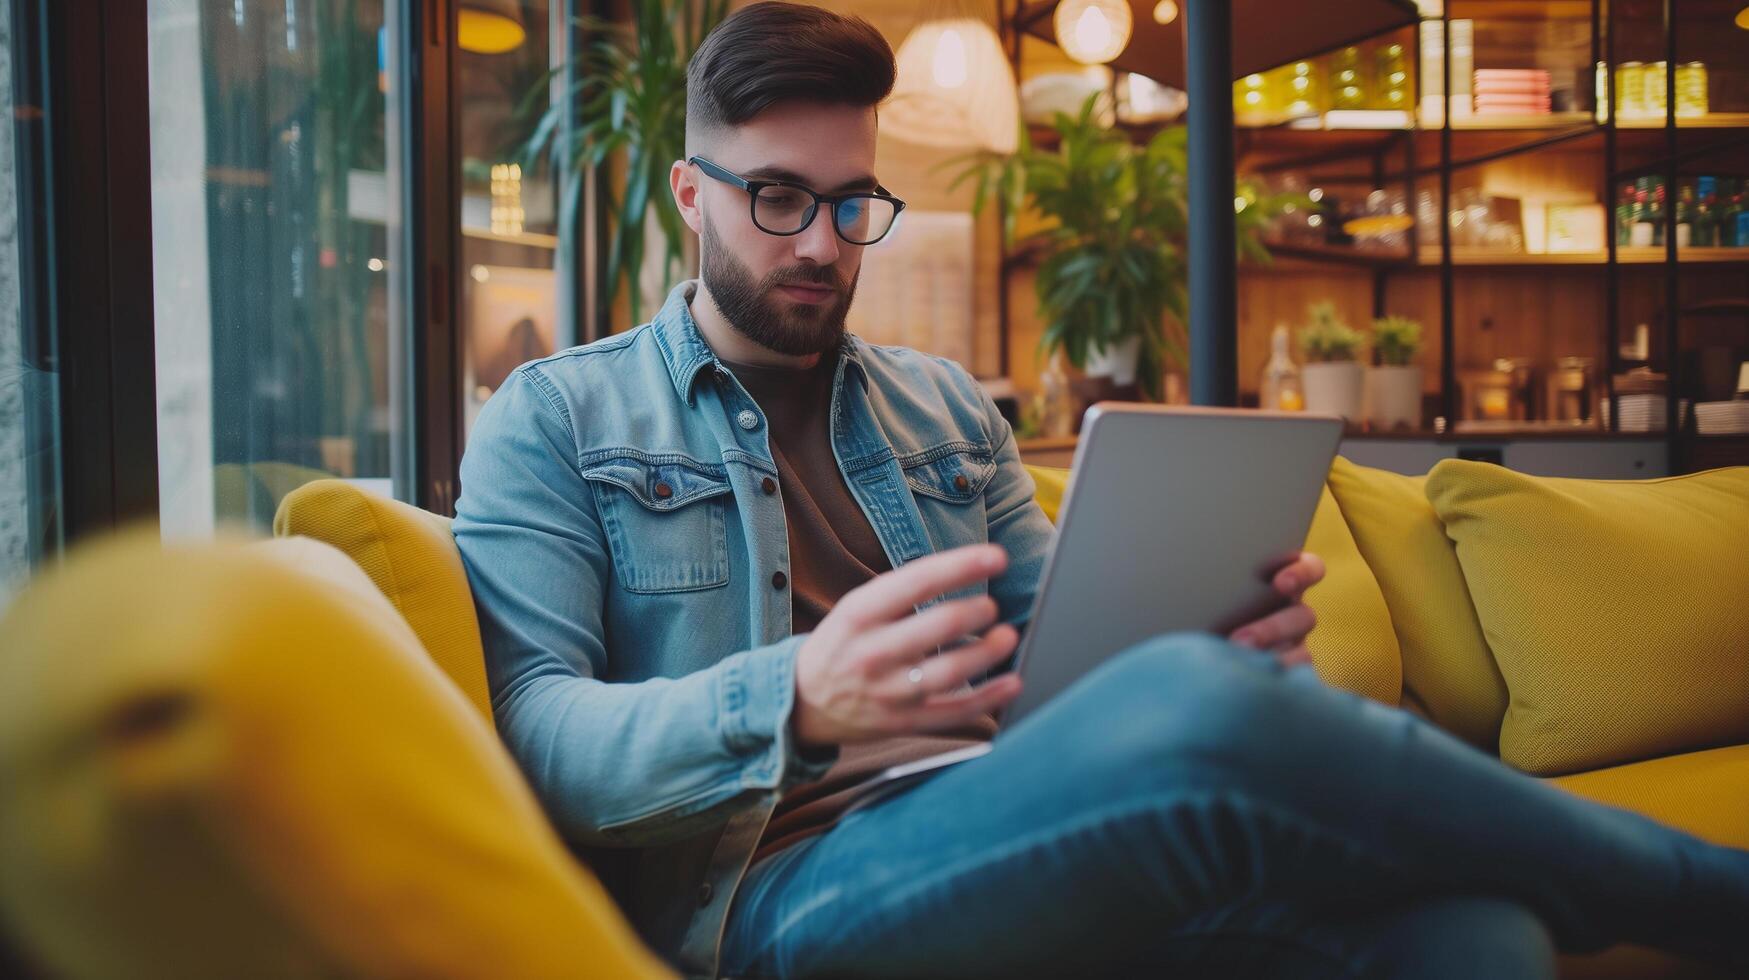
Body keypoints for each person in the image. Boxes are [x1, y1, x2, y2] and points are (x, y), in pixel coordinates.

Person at [452, 5, 1749, 977]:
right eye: (777, 199)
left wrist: (1195, 632)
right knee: (1202, 710)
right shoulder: (554, 416)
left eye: (852, 205)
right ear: (691, 194)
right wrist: (793, 698)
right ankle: (1707, 896)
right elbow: (542, 737)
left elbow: (1069, 653)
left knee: (1469, 925)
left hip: (1023, 815)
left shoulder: (945, 404)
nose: (818, 244)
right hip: (780, 891)